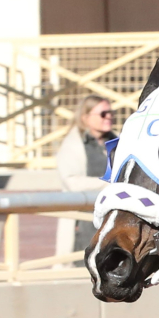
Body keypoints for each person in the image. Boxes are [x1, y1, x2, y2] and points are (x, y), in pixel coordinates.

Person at [57, 94, 117, 255]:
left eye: (111, 113)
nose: (109, 117)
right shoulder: (73, 144)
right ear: (85, 117)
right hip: (85, 221)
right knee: (84, 267)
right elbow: (72, 182)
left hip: (115, 219)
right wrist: (109, 183)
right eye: (103, 114)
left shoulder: (117, 141)